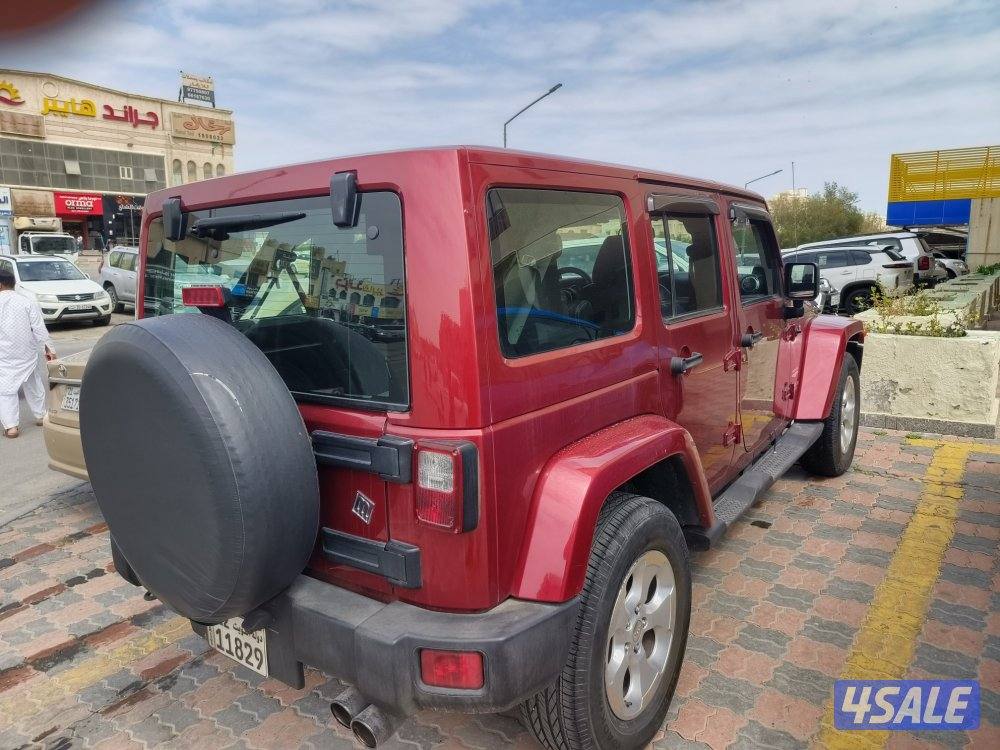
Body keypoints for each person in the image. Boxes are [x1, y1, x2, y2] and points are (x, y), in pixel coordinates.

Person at [0, 268, 55, 438]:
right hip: (27, 353)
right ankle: (40, 416)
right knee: (33, 382)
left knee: (6, 390)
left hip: (4, 354)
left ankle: (11, 427)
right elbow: (39, 329)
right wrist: (49, 349)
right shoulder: (27, 302)